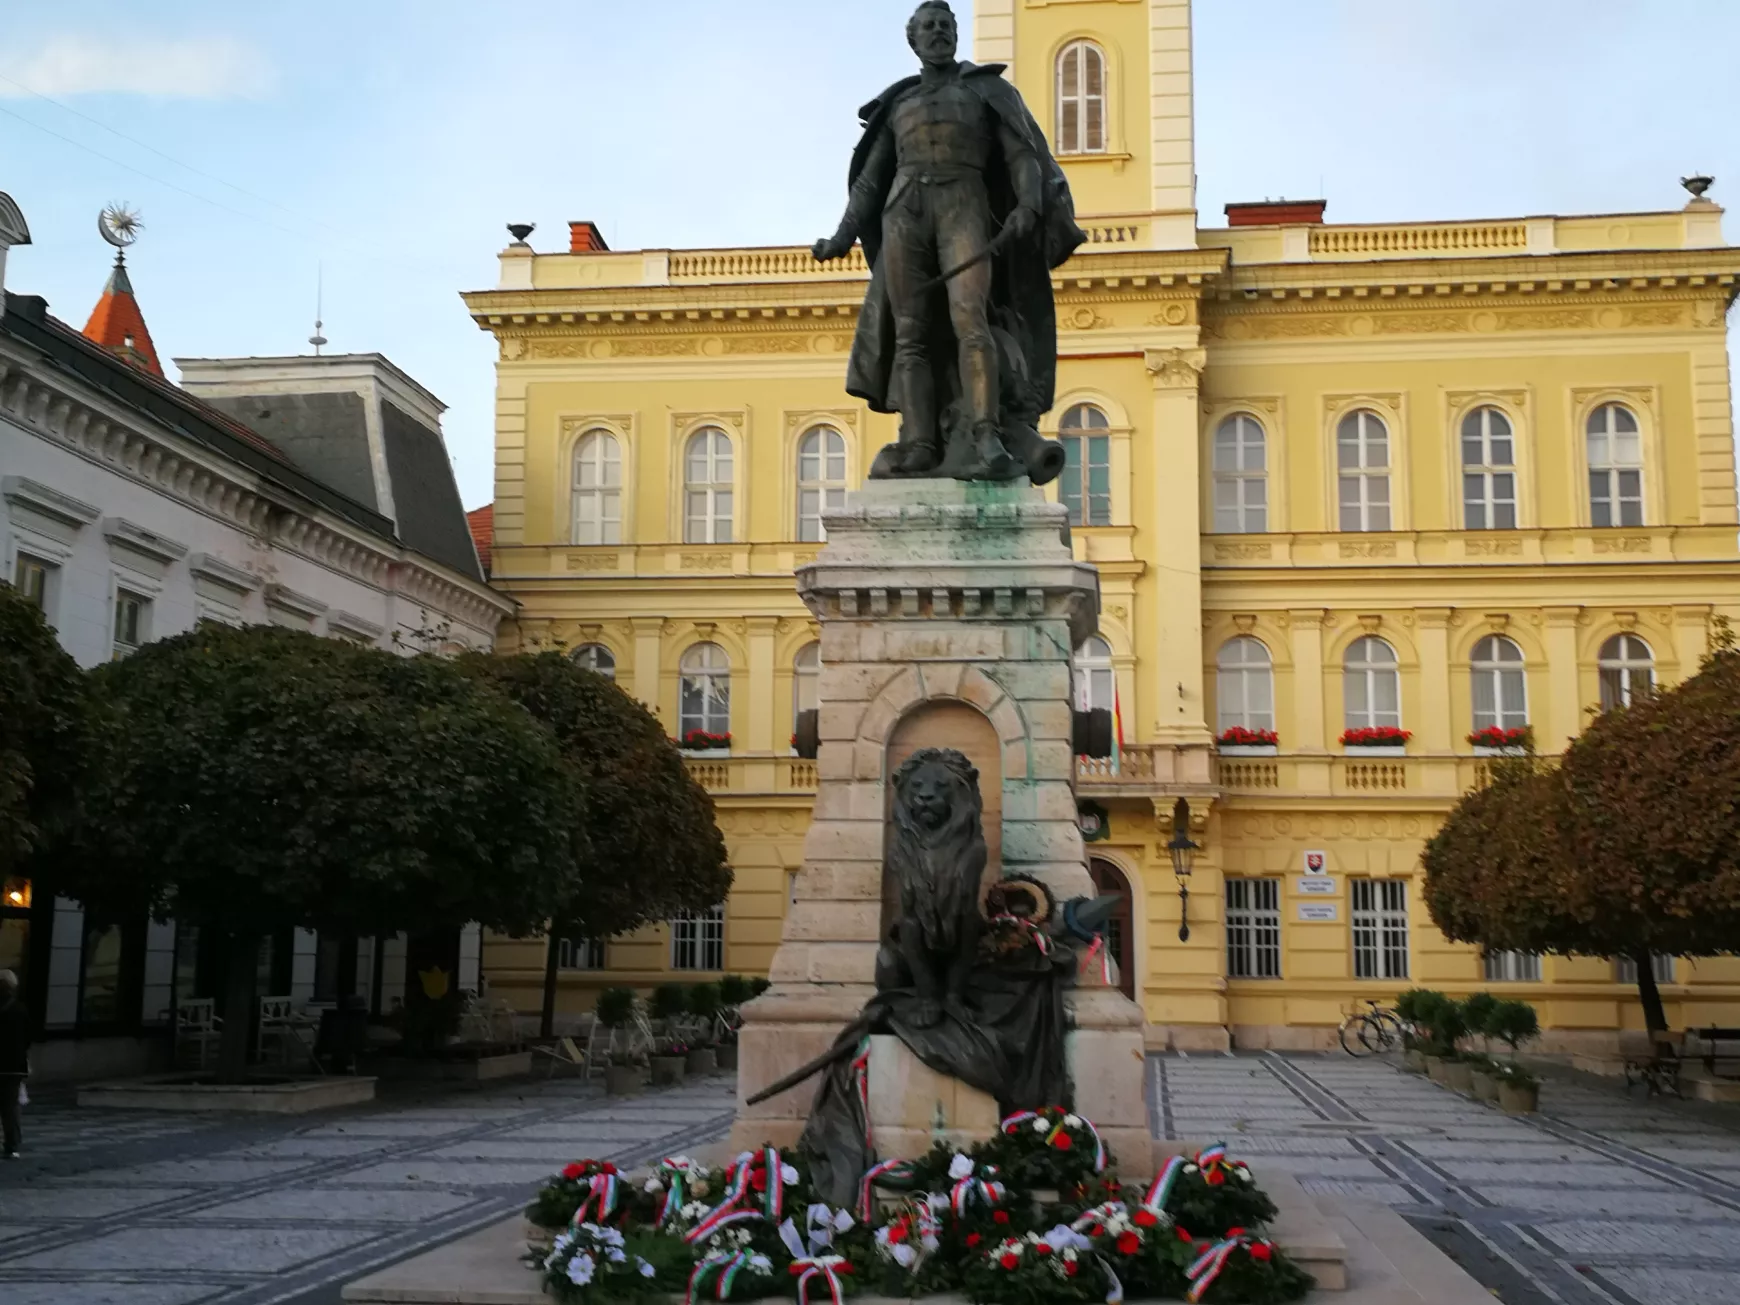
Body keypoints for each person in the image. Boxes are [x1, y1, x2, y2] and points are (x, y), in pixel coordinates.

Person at [813, 0, 1083, 482]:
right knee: (911, 335)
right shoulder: (898, 103)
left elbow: (1021, 154)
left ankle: (984, 433)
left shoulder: (987, 91)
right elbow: (871, 182)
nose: (937, 32)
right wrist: (842, 235)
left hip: (964, 201)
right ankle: (918, 442)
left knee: (970, 319)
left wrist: (1028, 205)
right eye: (928, 27)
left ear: (956, 35)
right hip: (905, 210)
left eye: (945, 25)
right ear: (912, 40)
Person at [0, 969, 29, 1159]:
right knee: (10, 1107)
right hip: (14, 1067)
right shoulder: (20, 1010)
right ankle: (12, 1144)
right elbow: (27, 1039)